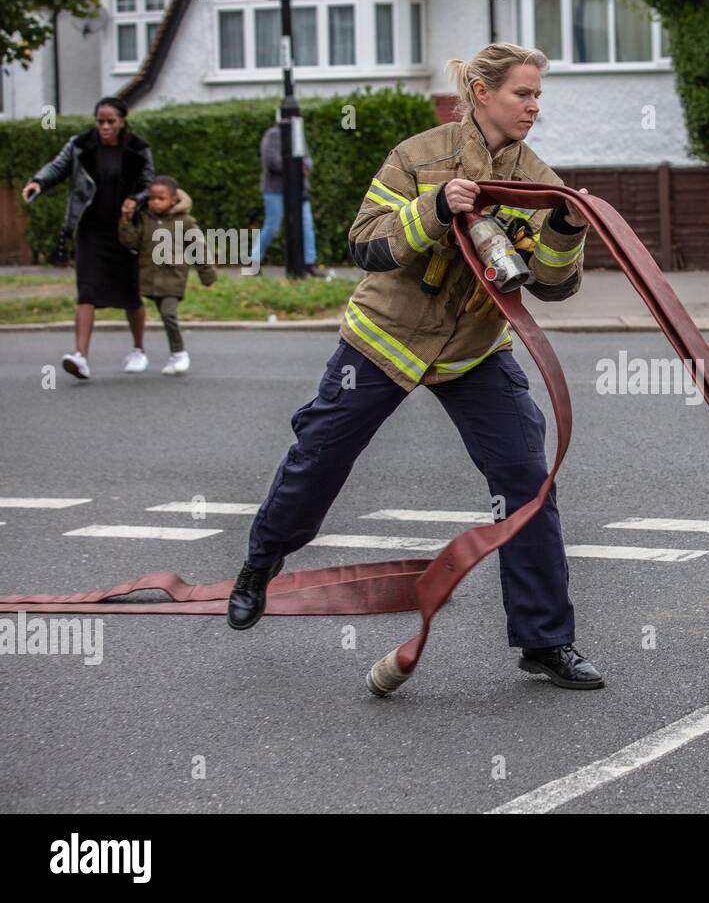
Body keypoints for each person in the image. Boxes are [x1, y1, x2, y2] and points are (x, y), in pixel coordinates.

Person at [228, 43, 604, 690]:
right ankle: (261, 560)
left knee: (527, 479)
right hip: (385, 340)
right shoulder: (419, 156)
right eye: (523, 93)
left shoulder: (538, 179)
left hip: (474, 352)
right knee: (319, 453)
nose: (534, 107)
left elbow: (552, 286)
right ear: (482, 94)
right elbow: (364, 243)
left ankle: (545, 641)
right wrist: (434, 208)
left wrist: (567, 225)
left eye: (539, 95)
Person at [23, 96, 154, 380]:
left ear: (122, 122)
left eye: (111, 122)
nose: (105, 127)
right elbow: (56, 168)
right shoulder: (80, 145)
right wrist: (38, 182)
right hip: (91, 230)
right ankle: (80, 357)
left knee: (131, 292)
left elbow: (149, 184)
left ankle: (138, 350)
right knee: (87, 291)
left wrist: (136, 199)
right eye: (100, 121)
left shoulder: (138, 148)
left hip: (125, 230)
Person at [117, 175, 218, 375]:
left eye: (161, 198)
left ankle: (179, 354)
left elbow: (198, 248)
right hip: (148, 277)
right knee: (136, 308)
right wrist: (125, 221)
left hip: (173, 278)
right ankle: (139, 353)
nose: (155, 202)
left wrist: (207, 275)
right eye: (152, 198)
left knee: (168, 314)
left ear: (173, 199)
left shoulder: (185, 221)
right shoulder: (145, 218)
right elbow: (131, 242)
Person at [256, 113, 321, 278]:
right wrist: (295, 168)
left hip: (299, 189)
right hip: (275, 189)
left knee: (306, 224)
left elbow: (307, 159)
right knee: (272, 225)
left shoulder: (298, 134)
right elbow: (271, 160)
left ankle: (309, 263)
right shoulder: (272, 135)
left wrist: (303, 166)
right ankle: (253, 261)